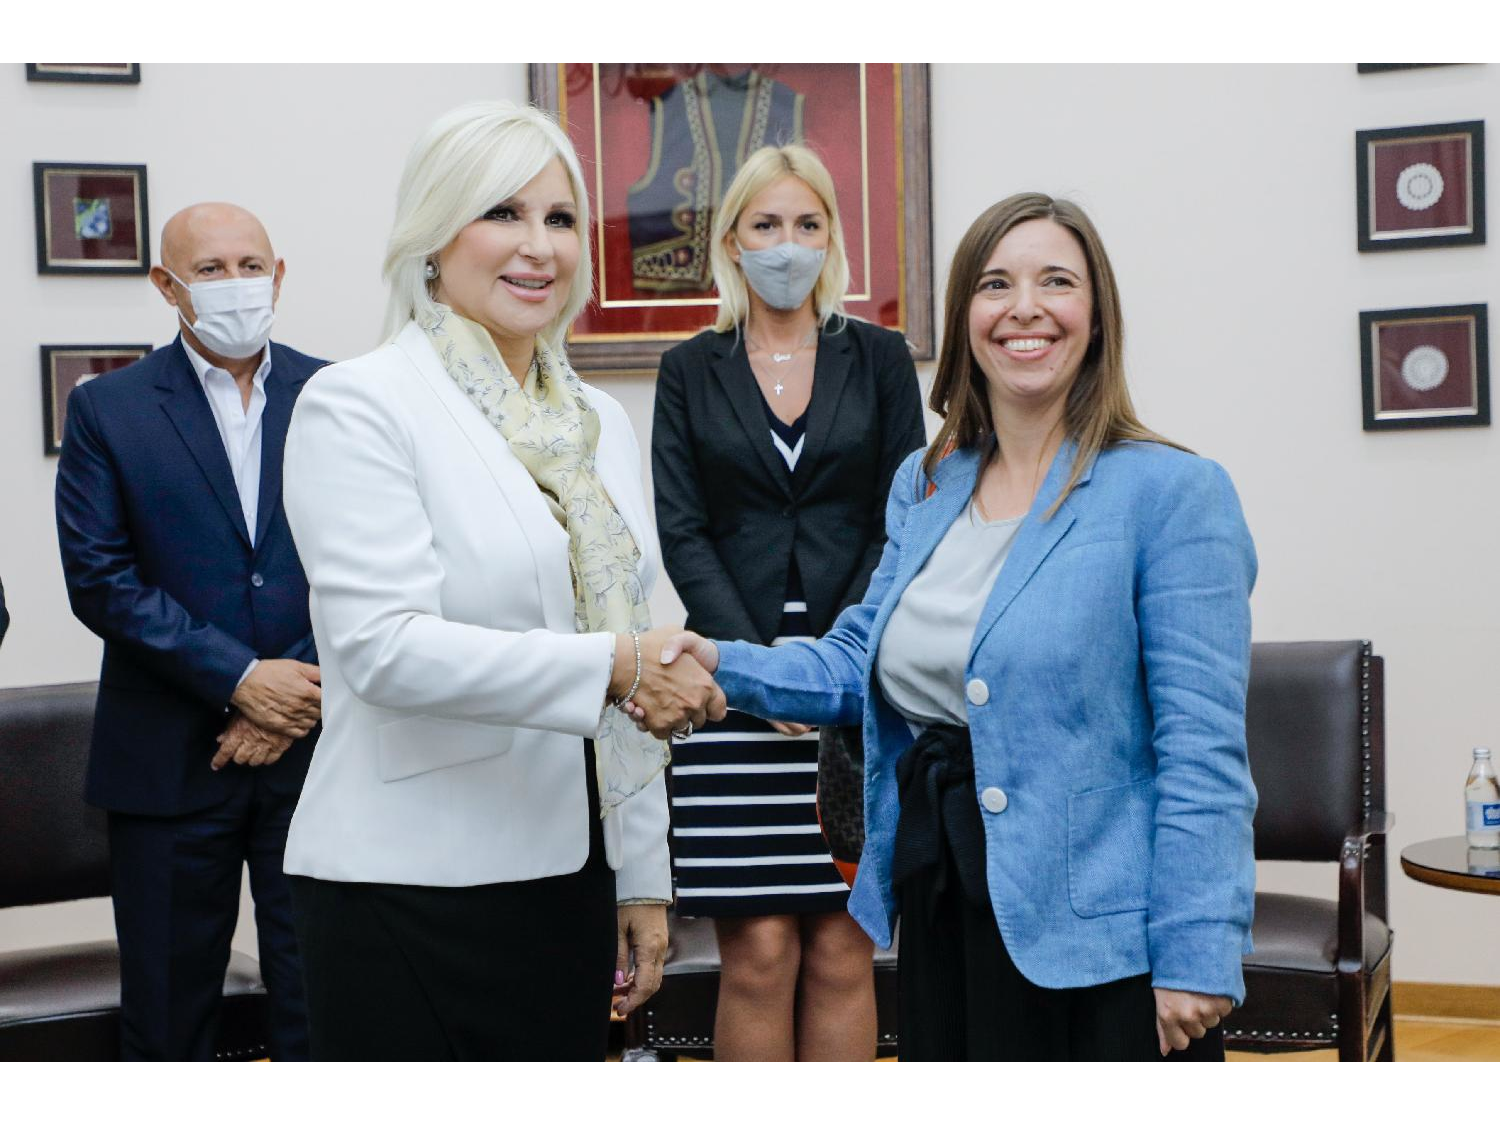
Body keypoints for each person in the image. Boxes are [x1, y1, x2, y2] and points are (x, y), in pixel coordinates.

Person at [643, 193, 1258, 1061]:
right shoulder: (928, 483)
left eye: (1057, 282)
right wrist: (719, 660)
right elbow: (859, 659)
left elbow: (1204, 750)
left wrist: (1197, 951)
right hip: (943, 899)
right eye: (996, 284)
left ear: (1098, 314)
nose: (1025, 308)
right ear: (967, 314)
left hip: (1103, 944)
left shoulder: (1172, 493)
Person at [279, 101, 724, 1062]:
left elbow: (630, 631)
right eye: (502, 213)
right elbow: (385, 650)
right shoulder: (360, 403)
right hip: (405, 884)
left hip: (568, 876)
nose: (539, 246)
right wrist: (615, 664)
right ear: (433, 236)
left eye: (560, 218)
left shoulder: (597, 420)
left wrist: (641, 874)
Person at [652, 144, 925, 1062]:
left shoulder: (879, 357)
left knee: (846, 947)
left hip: (859, 674)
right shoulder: (690, 368)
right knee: (760, 952)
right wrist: (765, 675)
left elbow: (902, 519)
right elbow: (684, 530)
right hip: (730, 682)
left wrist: (828, 668)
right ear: (733, 240)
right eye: (767, 224)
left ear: (832, 238)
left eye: (808, 224)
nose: (788, 243)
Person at [55, 203, 326, 1061]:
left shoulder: (339, 395)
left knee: (326, 1012)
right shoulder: (108, 408)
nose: (236, 283)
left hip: (319, 759)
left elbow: (378, 568)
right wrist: (242, 679)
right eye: (210, 269)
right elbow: (101, 580)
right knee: (169, 1024)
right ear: (167, 286)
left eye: (252, 264)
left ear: (279, 277)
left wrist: (294, 690)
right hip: (168, 764)